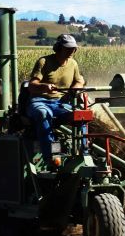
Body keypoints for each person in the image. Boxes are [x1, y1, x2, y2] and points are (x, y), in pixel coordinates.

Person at [27, 34, 86, 163]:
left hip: (60, 104)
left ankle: (83, 152)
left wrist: (76, 87)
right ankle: (52, 155)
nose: (71, 51)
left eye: (73, 49)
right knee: (43, 113)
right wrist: (44, 86)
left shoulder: (73, 64)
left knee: (81, 115)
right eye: (68, 48)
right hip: (40, 101)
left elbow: (79, 81)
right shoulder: (44, 62)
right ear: (58, 48)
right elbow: (32, 86)